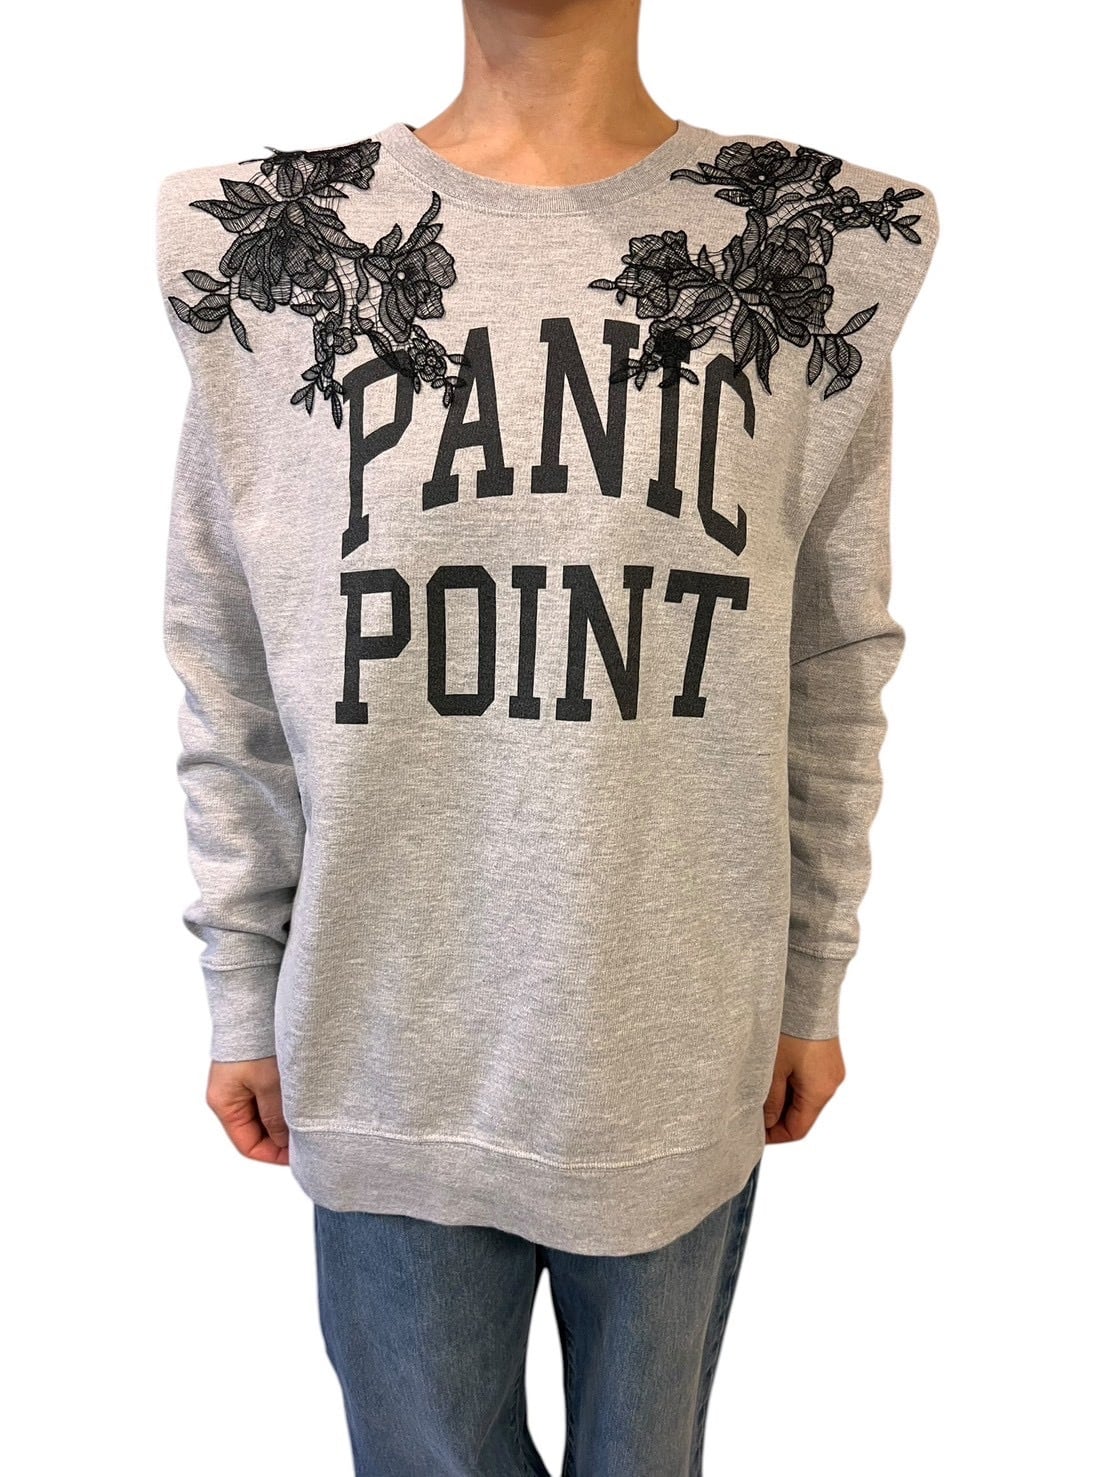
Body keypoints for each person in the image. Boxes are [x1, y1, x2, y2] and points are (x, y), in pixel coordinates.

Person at [155, 1, 939, 1471]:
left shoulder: (815, 242)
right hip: (384, 1039)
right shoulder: (270, 245)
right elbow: (233, 658)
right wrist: (241, 983)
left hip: (679, 1039)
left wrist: (813, 973)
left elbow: (830, 657)